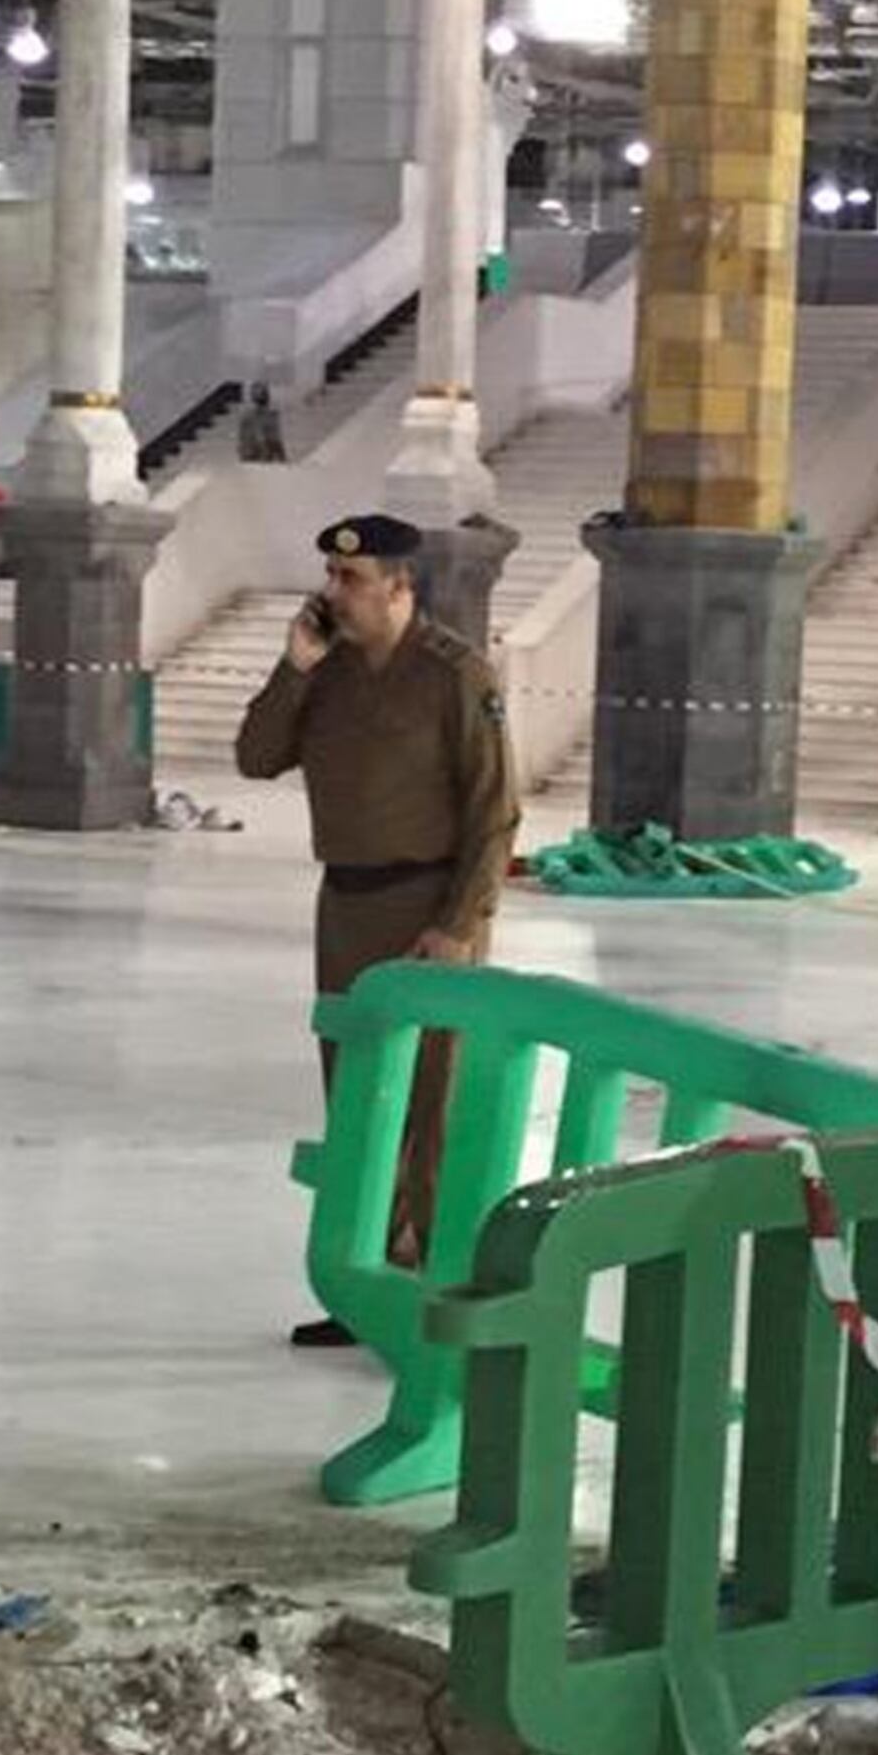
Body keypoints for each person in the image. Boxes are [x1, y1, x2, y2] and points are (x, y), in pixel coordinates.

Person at [237, 513, 519, 1346]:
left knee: (431, 1103)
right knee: (359, 1097)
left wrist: (459, 924)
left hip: (427, 908)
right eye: (330, 575)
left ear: (401, 586)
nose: (334, 592)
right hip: (348, 907)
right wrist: (293, 669)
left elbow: (494, 813)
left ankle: (432, 1288)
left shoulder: (455, 676)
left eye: (351, 581)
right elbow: (255, 757)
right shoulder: (325, 673)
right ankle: (364, 1289)